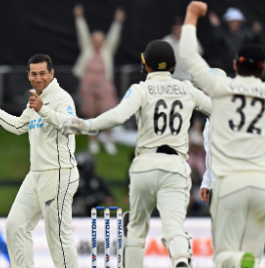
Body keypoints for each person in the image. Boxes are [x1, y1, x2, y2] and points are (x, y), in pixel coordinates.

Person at [180, 2, 265, 268]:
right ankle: (247, 260)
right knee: (255, 259)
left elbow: (190, 56)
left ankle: (240, 259)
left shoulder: (222, 87)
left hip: (231, 182)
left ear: (236, 64)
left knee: (225, 257)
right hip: (264, 185)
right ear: (263, 69)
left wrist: (192, 17)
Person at [62, 40, 212, 268]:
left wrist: (86, 125)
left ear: (145, 66)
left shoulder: (140, 89)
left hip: (145, 165)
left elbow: (116, 116)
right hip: (175, 167)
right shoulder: (187, 89)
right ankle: (181, 259)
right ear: (172, 66)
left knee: (136, 225)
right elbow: (218, 110)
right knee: (174, 227)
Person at [0, 54, 79, 268]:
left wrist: (43, 109)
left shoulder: (61, 98)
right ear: (28, 76)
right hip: (36, 175)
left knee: (58, 237)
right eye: (34, 74)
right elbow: (18, 127)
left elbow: (70, 125)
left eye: (43, 73)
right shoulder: (35, 99)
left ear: (52, 74)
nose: (38, 77)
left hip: (59, 173)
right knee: (15, 226)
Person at [73, 5, 125, 155]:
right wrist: (79, 17)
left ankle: (108, 139)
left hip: (103, 84)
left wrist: (118, 22)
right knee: (91, 113)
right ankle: (92, 140)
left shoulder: (107, 51)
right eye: (95, 40)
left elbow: (114, 36)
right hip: (88, 85)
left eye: (100, 40)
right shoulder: (87, 49)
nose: (97, 42)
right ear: (92, 40)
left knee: (107, 111)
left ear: (103, 41)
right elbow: (82, 33)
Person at [209, 7, 262, 75]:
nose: (234, 24)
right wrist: (216, 27)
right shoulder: (222, 34)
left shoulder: (247, 35)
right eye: (232, 22)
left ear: (240, 23)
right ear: (227, 22)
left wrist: (255, 34)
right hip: (226, 70)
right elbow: (215, 43)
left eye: (236, 22)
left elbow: (255, 46)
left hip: (243, 70)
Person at [72, 152, 114, 217]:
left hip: (93, 213)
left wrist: (100, 197)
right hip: (75, 213)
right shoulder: (74, 180)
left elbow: (109, 198)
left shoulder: (96, 179)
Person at [162, 17, 204, 81]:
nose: (177, 30)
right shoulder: (167, 40)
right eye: (176, 27)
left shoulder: (191, 40)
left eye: (179, 27)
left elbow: (199, 56)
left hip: (188, 78)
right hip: (172, 78)